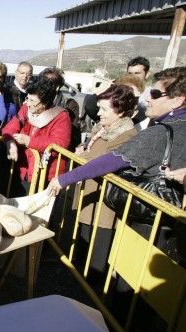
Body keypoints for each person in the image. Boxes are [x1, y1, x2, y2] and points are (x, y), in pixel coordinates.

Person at [48, 66, 186, 264]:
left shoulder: (159, 133)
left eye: (155, 94)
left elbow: (113, 159)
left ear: (177, 100)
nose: (147, 98)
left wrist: (64, 179)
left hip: (153, 223)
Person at [72, 84, 138, 272]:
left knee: (98, 249)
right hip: (90, 193)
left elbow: (106, 161)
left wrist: (82, 156)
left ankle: (92, 287)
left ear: (120, 111)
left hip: (105, 202)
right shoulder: (102, 128)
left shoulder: (127, 135)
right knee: (83, 242)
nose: (98, 113)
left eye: (104, 109)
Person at [2, 75, 72, 196]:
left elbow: (60, 143)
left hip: (46, 175)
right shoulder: (26, 109)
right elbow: (11, 126)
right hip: (24, 170)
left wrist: (29, 141)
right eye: (27, 98)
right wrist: (9, 141)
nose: (27, 103)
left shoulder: (61, 116)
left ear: (44, 103)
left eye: (32, 101)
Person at [127, 56, 152, 129]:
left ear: (147, 74)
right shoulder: (120, 92)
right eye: (130, 73)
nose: (133, 77)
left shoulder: (152, 95)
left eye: (137, 73)